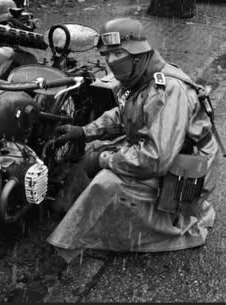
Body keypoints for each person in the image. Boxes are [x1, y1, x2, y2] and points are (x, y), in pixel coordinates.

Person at [46, 17, 219, 263]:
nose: (111, 61)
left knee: (106, 182)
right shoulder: (145, 75)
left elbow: (154, 159)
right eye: (107, 55)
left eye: (118, 53)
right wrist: (85, 132)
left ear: (139, 53)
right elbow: (126, 113)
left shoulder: (169, 90)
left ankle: (86, 235)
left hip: (188, 171)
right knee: (94, 151)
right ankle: (67, 209)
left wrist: (104, 160)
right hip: (173, 152)